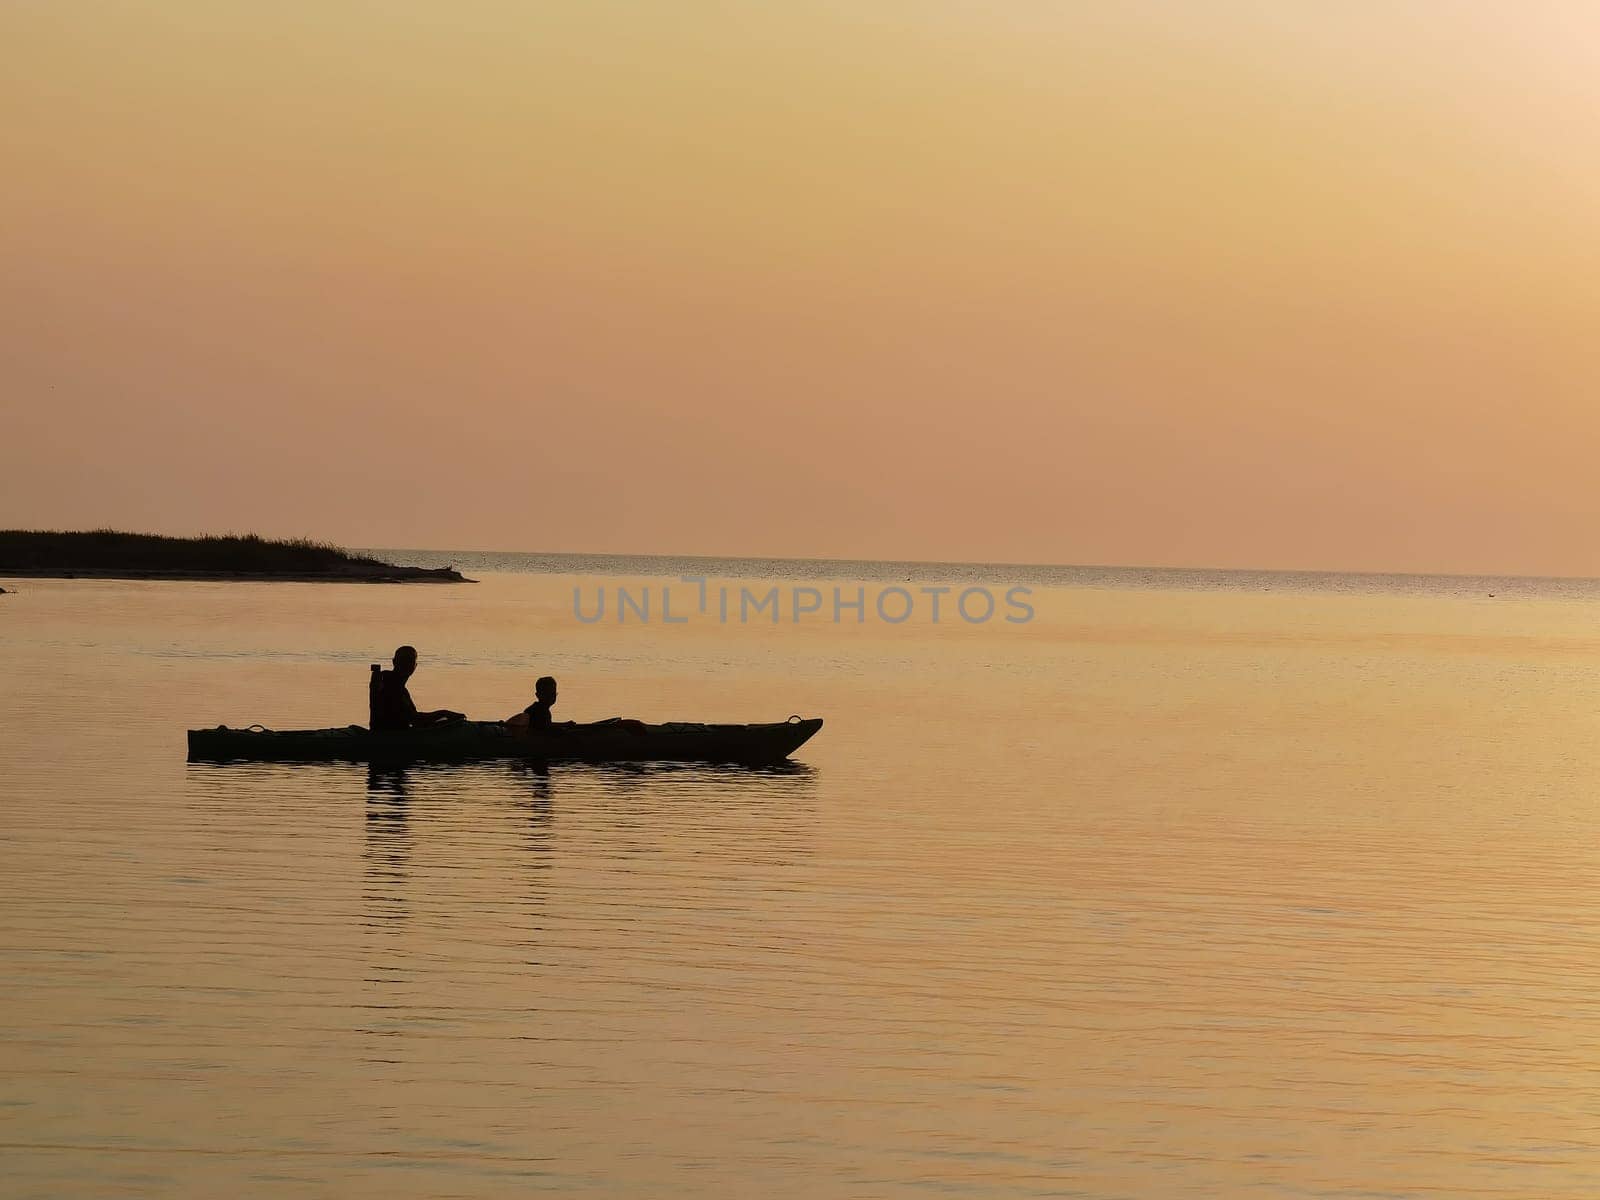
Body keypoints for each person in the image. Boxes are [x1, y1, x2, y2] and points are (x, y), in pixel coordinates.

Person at [369, 645, 464, 731]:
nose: (406, 664)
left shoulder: (398, 686)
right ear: (394, 662)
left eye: (410, 660)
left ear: (415, 665)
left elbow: (413, 718)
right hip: (390, 737)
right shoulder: (387, 682)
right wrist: (444, 713)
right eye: (403, 660)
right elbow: (414, 719)